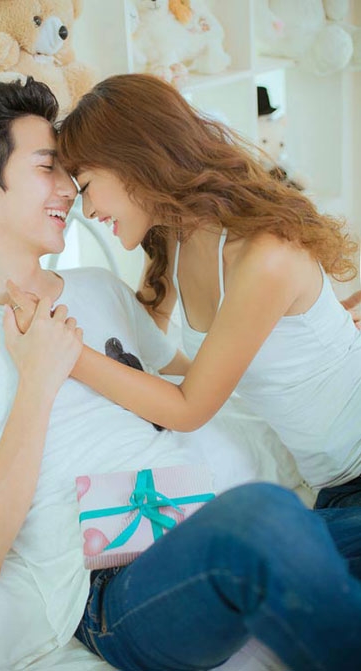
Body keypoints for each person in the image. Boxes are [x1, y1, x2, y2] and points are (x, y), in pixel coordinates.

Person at [0, 77, 361, 671]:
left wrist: (316, 329)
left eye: (74, 174)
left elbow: (201, 383)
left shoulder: (100, 289)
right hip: (120, 585)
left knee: (273, 526)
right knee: (265, 516)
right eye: (48, 168)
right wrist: (39, 383)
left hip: (203, 528)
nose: (70, 191)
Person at [56, 73, 361, 510]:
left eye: (85, 186)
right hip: (335, 482)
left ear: (134, 161)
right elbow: (146, 344)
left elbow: (187, 408)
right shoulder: (173, 238)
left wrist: (68, 354)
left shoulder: (263, 257)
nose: (87, 210)